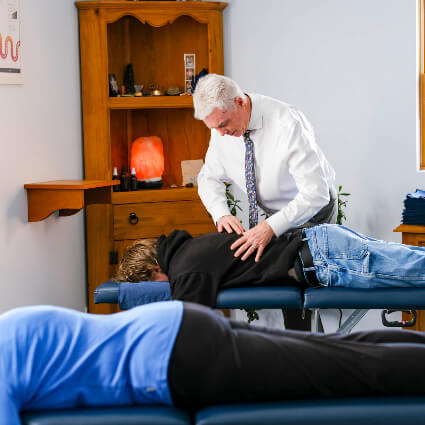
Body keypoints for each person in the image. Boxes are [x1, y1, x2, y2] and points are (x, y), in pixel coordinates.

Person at [4, 301, 425, 424]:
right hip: (176, 322)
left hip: (178, 362)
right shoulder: (9, 324)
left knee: (346, 371)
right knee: (339, 350)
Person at [193, 74, 337, 328]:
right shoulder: (221, 131)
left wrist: (270, 228)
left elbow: (315, 193)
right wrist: (221, 214)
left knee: (296, 277)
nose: (221, 134)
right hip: (276, 213)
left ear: (240, 102)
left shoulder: (286, 122)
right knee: (284, 281)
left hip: (313, 209)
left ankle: (307, 353)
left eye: (223, 124)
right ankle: (305, 351)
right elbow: (208, 179)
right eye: (214, 128)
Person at [114, 224, 425, 307]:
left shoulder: (186, 269)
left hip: (326, 259)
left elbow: (188, 326)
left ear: (154, 271)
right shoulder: (190, 248)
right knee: (416, 261)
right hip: (324, 245)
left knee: (418, 271)